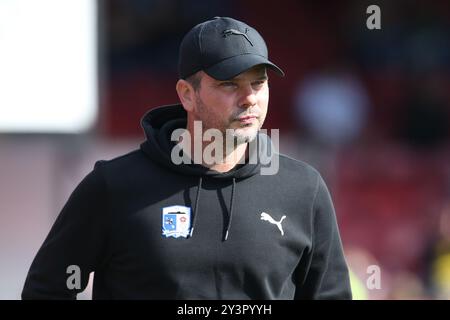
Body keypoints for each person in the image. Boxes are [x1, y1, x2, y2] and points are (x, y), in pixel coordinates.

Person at [22, 17, 351, 300]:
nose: (250, 98)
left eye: (258, 83)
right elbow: (46, 290)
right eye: (229, 84)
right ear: (187, 94)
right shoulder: (114, 187)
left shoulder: (304, 189)